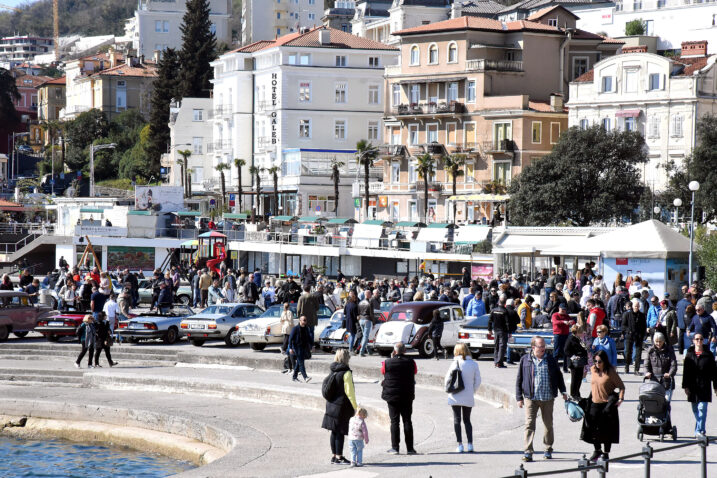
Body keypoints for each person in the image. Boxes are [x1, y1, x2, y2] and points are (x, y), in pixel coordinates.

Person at [515, 336, 567, 462]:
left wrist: (563, 391)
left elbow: (559, 377)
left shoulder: (550, 360)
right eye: (540, 346)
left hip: (548, 397)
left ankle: (548, 449)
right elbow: (519, 379)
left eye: (544, 346)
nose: (543, 348)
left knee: (548, 425)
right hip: (531, 398)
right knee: (529, 424)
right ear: (533, 347)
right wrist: (519, 397)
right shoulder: (525, 360)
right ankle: (528, 451)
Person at [581, 349, 625, 463]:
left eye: (599, 361)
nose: (597, 364)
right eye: (595, 361)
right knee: (592, 429)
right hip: (594, 403)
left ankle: (605, 453)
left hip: (607, 405)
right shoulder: (593, 370)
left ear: (604, 361)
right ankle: (597, 450)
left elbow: (621, 386)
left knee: (606, 430)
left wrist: (620, 399)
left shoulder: (610, 371)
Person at [381, 342, 417, 455]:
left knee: (394, 421)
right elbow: (415, 372)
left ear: (394, 351)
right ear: (405, 351)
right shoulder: (411, 362)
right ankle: (410, 448)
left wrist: (392, 358)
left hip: (392, 396)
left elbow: (383, 372)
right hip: (407, 395)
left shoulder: (387, 362)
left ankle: (395, 447)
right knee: (407, 420)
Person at [322, 349, 357, 465]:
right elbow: (350, 392)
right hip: (342, 407)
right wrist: (356, 407)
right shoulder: (346, 373)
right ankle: (339, 457)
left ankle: (334, 456)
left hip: (331, 405)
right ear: (347, 359)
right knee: (340, 432)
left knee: (334, 432)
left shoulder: (332, 370)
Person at [445, 343, 481, 453]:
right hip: (468, 395)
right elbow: (478, 381)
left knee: (457, 420)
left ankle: (460, 445)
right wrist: (472, 390)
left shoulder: (454, 363)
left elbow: (447, 380)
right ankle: (470, 444)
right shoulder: (474, 364)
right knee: (467, 420)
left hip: (455, 395)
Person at [682, 333, 717, 437]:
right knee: (695, 409)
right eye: (697, 339)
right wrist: (685, 386)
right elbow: (686, 372)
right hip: (692, 386)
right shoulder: (689, 354)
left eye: (701, 339)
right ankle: (699, 428)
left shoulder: (709, 354)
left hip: (704, 386)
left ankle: (700, 431)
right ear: (693, 341)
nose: (699, 341)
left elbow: (714, 372)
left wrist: (716, 386)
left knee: (702, 408)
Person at [645, 331, 678, 402]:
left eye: (660, 341)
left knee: (666, 403)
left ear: (663, 341)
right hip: (654, 381)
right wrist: (647, 372)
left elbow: (673, 365)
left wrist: (670, 374)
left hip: (667, 382)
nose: (658, 343)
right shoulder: (650, 351)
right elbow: (646, 364)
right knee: (655, 404)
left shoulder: (669, 350)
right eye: (656, 341)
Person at [621, 298, 647, 375]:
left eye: (638, 306)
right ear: (632, 306)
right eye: (635, 306)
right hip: (629, 336)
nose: (636, 307)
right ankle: (627, 366)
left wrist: (643, 335)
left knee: (638, 353)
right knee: (628, 352)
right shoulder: (627, 314)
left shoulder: (641, 315)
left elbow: (644, 326)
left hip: (638, 336)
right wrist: (627, 331)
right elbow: (623, 325)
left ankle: (637, 369)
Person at [565, 324, 588, 400]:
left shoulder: (578, 339)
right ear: (576, 332)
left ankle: (577, 394)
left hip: (580, 362)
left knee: (579, 378)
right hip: (574, 363)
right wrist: (574, 357)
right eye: (580, 332)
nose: (582, 334)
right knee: (574, 379)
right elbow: (566, 350)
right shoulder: (570, 338)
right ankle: (573, 394)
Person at [288, 315, 312, 383]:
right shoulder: (295, 328)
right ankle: (305, 377)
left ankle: (294, 377)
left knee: (299, 362)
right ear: (300, 321)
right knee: (301, 362)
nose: (304, 322)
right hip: (297, 347)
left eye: (305, 320)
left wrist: (312, 346)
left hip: (304, 347)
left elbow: (309, 338)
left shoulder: (306, 328)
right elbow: (290, 338)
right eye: (303, 320)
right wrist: (290, 348)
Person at [551, 303, 573, 373]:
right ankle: (554, 368)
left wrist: (571, 322)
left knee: (566, 352)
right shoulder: (555, 315)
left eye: (564, 309)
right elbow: (555, 322)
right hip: (558, 335)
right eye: (562, 309)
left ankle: (565, 368)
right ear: (559, 308)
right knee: (556, 352)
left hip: (565, 335)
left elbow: (573, 321)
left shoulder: (567, 316)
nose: (563, 311)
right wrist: (563, 322)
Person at [488, 296, 509, 368]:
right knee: (502, 347)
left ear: (498, 302)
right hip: (503, 331)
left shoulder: (493, 310)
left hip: (496, 330)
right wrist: (509, 332)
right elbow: (507, 323)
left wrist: (490, 329)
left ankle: (496, 361)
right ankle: (499, 363)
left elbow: (490, 321)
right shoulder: (505, 311)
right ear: (505, 303)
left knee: (496, 346)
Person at [357, 290, 375, 356]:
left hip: (361, 319)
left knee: (365, 336)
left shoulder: (360, 302)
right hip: (367, 319)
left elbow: (358, 311)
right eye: (370, 294)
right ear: (368, 294)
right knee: (365, 336)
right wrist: (374, 322)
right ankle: (361, 352)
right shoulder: (370, 302)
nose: (371, 295)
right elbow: (371, 314)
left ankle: (369, 350)